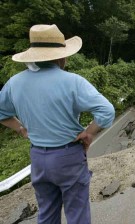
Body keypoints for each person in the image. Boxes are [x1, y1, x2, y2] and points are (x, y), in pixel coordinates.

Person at [0, 24, 115, 224]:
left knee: (46, 214)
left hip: (37, 157)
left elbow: (2, 113)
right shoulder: (73, 82)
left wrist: (20, 128)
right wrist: (89, 132)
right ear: (61, 56)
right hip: (68, 156)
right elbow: (107, 111)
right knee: (77, 213)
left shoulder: (14, 83)